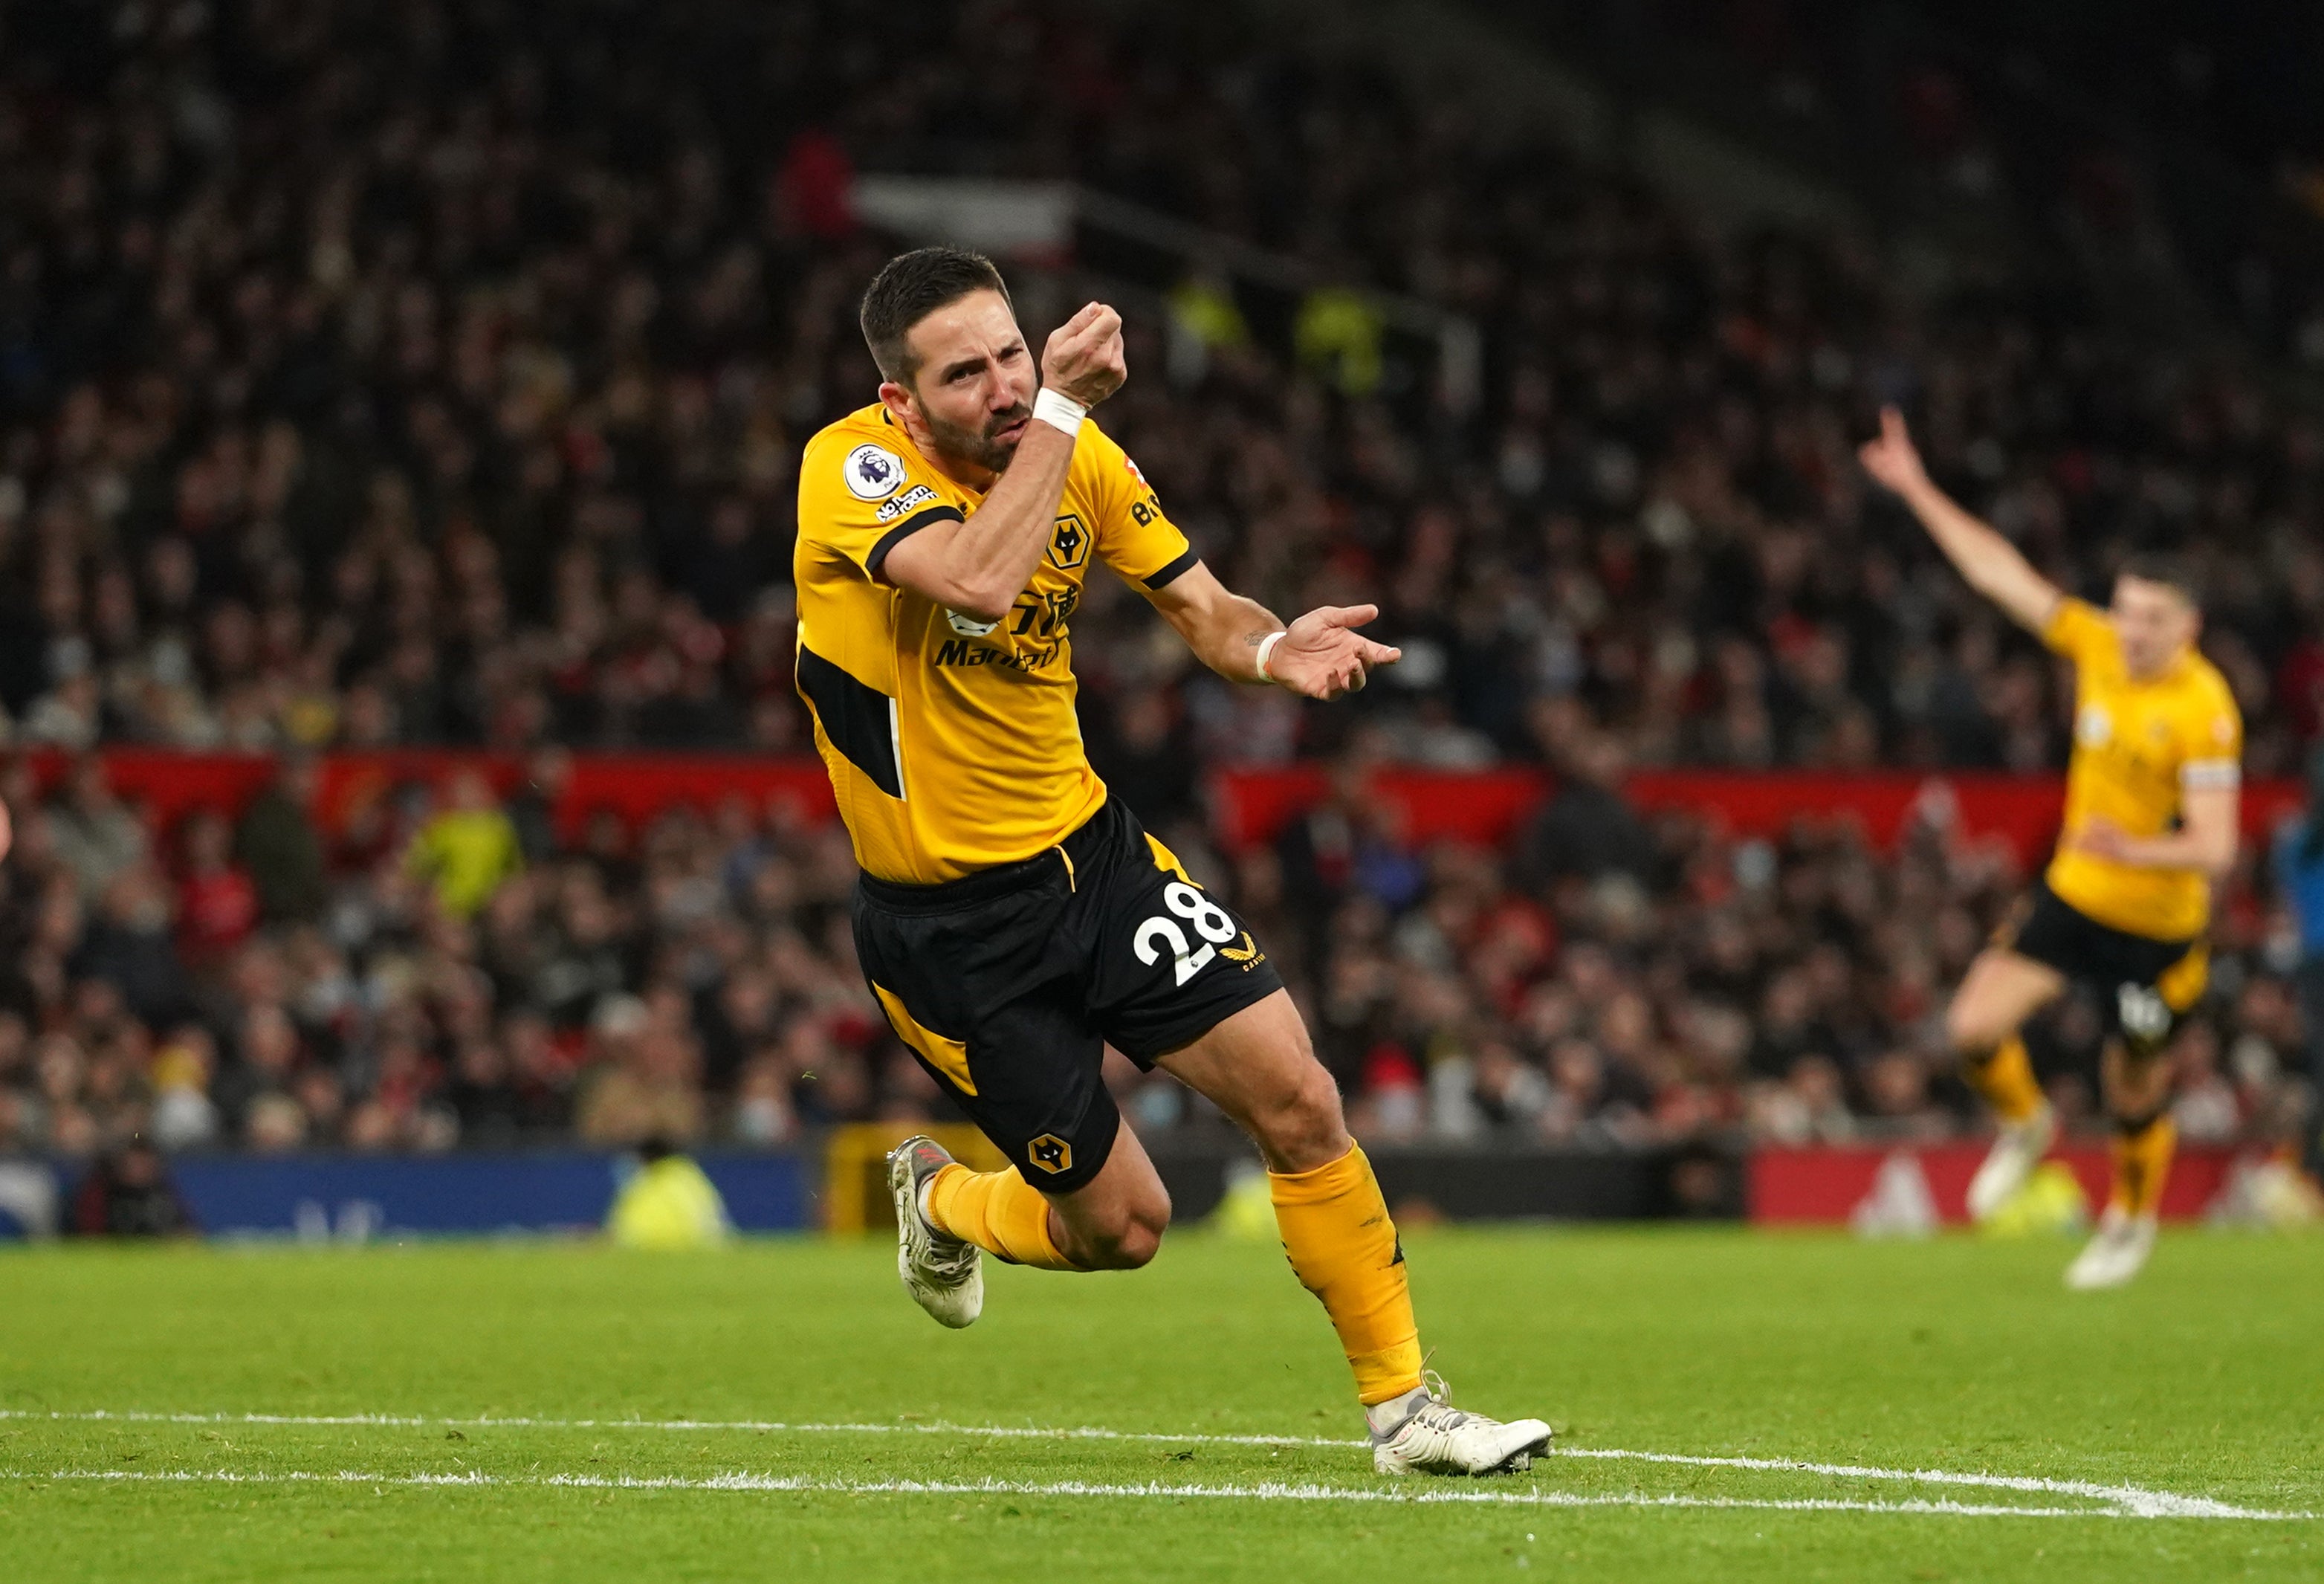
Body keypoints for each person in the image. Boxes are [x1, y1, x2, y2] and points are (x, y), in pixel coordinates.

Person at [797, 247, 1547, 1476]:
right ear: (903, 402)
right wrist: (1059, 410)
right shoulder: (854, 467)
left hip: (1093, 864)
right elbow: (979, 585)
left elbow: (1203, 608)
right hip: (950, 933)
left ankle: (1406, 1410)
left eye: (1008, 355)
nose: (998, 386)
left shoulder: (1071, 451)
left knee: (1299, 1097)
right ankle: (940, 1199)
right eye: (962, 373)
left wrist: (1271, 651)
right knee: (1124, 1229)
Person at [1860, 407, 2242, 1289]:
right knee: (1970, 1028)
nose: (2130, 629)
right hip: (2075, 897)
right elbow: (2002, 575)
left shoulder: (2204, 708)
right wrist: (1916, 487)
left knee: (2130, 1090)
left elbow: (2217, 847)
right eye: (2124, 609)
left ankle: (2129, 1220)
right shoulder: (2099, 648)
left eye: (2150, 618)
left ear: (2186, 627)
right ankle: (2027, 1124)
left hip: (2156, 931)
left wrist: (2132, 849)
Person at [2273, 747, 2324, 1181]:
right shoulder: (2297, 842)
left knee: (2320, 1065)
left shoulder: (2293, 841)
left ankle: (2313, 1159)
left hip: (2313, 965)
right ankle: (2313, 1161)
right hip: (2316, 963)